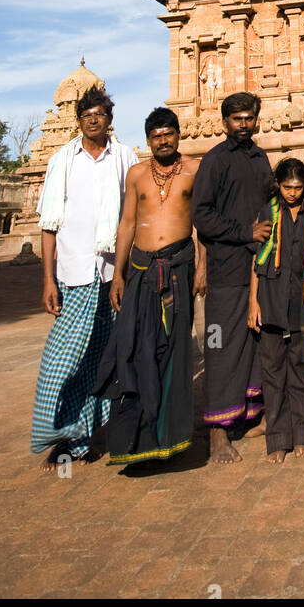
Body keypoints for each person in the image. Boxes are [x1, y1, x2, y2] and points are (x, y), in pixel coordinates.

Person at [31, 87, 137, 471]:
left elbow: (134, 213)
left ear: (110, 118)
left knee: (103, 357)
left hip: (113, 273)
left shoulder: (125, 157)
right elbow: (48, 225)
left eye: (100, 113)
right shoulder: (62, 160)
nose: (93, 119)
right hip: (74, 273)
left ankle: (84, 438)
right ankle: (57, 432)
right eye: (86, 114)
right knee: (62, 359)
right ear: (78, 120)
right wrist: (48, 280)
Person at [93, 107, 204, 466]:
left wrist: (202, 266)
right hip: (140, 268)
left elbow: (200, 223)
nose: (163, 140)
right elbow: (127, 223)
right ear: (148, 140)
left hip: (179, 265)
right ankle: (136, 440)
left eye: (168, 133)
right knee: (135, 348)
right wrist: (119, 274)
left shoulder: (193, 170)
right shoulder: (137, 174)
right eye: (156, 136)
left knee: (175, 349)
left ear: (177, 134)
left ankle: (170, 439)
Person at [190, 92, 274, 463]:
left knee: (257, 340)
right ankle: (217, 432)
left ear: (256, 119)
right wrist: (245, 232)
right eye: (236, 119)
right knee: (220, 345)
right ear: (224, 122)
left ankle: (250, 413)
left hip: (260, 265)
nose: (243, 124)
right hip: (227, 268)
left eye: (248, 118)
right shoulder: (214, 160)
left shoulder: (260, 158)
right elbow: (202, 215)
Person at [247, 158, 304, 464]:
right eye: (287, 187)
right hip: (271, 299)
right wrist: (253, 303)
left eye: (298, 188)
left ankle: (301, 435)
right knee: (272, 373)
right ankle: (277, 439)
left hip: (303, 301)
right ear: (278, 185)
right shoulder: (268, 213)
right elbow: (257, 262)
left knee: (298, 370)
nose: (292, 193)